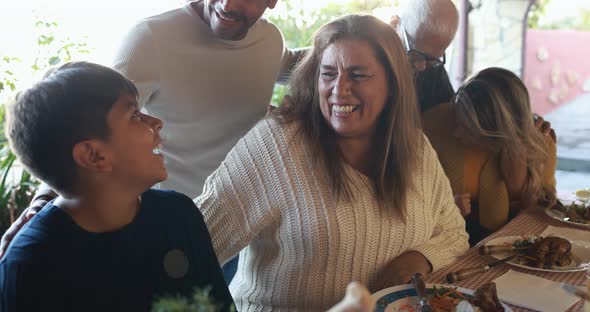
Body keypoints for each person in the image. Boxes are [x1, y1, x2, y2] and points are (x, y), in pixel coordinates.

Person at [194, 14, 469, 311]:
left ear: (392, 84)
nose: (339, 89)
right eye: (328, 74)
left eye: (358, 75)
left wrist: (421, 258)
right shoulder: (277, 145)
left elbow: (455, 234)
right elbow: (189, 248)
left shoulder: (416, 148)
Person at [0, 62, 233, 311]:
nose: (155, 122)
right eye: (134, 115)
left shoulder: (179, 214)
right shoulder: (30, 264)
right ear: (94, 156)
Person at [422, 67, 557, 245]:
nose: (456, 133)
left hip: (515, 245)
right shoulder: (435, 126)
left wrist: (519, 172)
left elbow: (543, 216)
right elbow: (410, 203)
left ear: (497, 132)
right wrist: (445, 211)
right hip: (450, 243)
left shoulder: (540, 143)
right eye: (457, 119)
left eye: (468, 128)